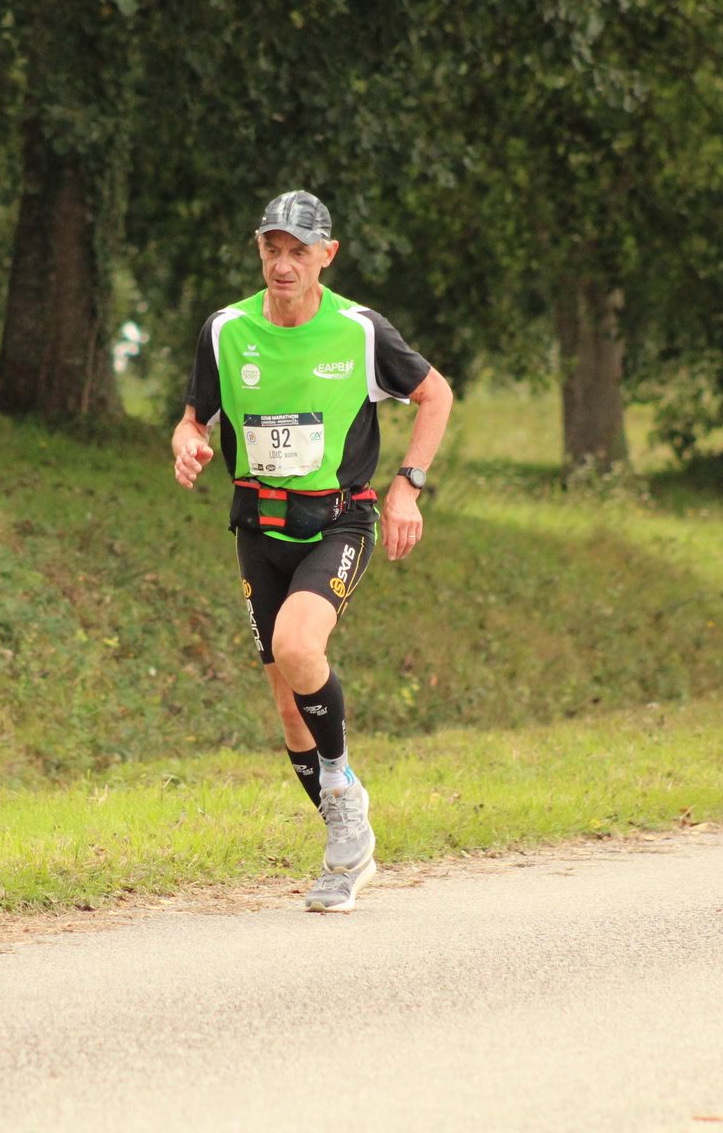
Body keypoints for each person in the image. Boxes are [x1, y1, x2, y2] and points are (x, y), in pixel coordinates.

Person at [172, 191, 453, 911]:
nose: (283, 264)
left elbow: (436, 395)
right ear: (259, 249)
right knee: (288, 705)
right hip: (257, 527)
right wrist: (188, 442)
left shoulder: (359, 331)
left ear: (327, 256)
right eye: (273, 249)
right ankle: (345, 844)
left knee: (299, 648)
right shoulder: (226, 330)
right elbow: (195, 417)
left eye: (299, 251)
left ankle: (342, 791)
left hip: (338, 522)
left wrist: (408, 487)